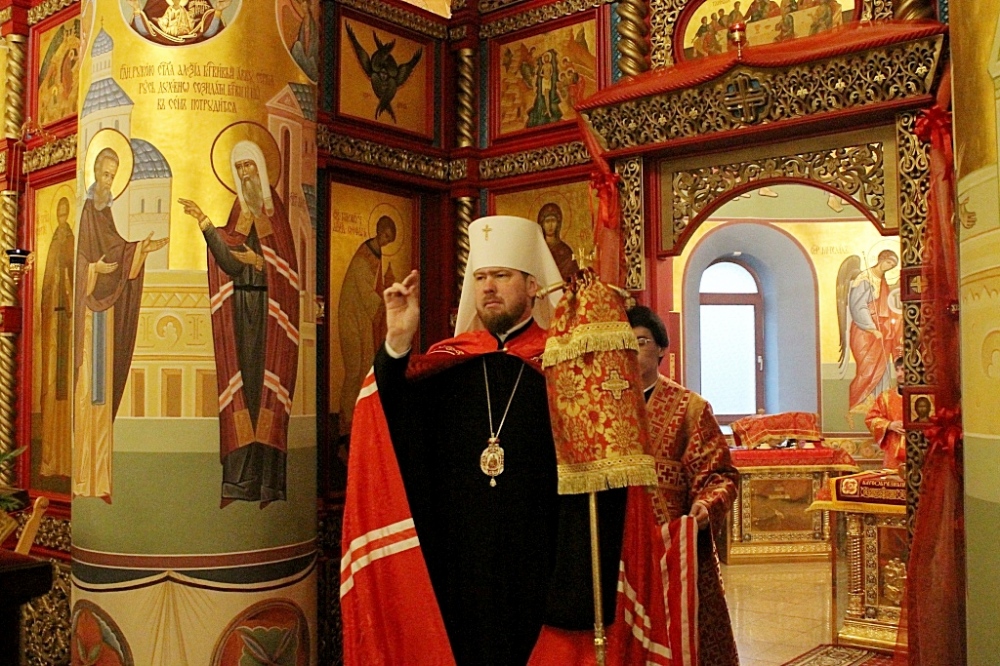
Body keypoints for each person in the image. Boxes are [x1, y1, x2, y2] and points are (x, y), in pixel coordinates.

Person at [341, 216, 630, 666]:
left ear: (533, 286)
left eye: (501, 275)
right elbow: (392, 425)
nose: (488, 287)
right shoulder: (450, 363)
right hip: (457, 566)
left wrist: (575, 587)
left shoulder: (564, 367)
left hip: (539, 565)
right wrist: (397, 342)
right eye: (480, 278)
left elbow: (599, 477)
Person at [179, 140, 300, 508]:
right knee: (244, 391)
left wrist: (259, 263)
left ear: (260, 169)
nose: (246, 173)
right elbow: (230, 262)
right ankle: (240, 481)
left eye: (250, 166)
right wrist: (205, 225)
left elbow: (285, 267)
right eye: (240, 168)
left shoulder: (274, 210)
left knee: (266, 391)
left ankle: (268, 484)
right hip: (242, 310)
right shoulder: (240, 210)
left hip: (271, 314)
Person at [626, 305, 740, 666]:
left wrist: (706, 505)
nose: (631, 350)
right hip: (622, 549)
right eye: (624, 343)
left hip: (675, 548)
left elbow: (720, 474)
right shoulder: (607, 410)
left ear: (661, 348)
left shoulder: (690, 408)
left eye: (641, 341)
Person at [74, 147, 168, 500]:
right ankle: (82, 479)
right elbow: (82, 260)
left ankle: (100, 481)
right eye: (104, 173)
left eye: (113, 176)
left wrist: (141, 249)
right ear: (95, 173)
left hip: (106, 314)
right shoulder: (88, 211)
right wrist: (93, 269)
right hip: (89, 317)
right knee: (88, 395)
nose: (108, 180)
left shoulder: (106, 213)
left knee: (102, 396)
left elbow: (118, 250)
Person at [338, 215, 396, 440]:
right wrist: (383, 303)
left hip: (363, 317)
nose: (386, 241)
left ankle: (361, 421)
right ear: (379, 231)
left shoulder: (376, 254)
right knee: (354, 370)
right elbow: (364, 290)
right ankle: (346, 424)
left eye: (389, 239)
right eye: (386, 236)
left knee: (366, 367)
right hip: (351, 316)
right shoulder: (363, 257)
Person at [39, 197, 74, 478]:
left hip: (69, 326)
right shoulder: (52, 245)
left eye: (65, 214)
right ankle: (50, 460)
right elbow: (47, 287)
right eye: (58, 214)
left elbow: (76, 277)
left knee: (69, 391)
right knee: (52, 389)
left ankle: (68, 460)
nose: (62, 219)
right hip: (54, 325)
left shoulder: (72, 242)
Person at [865, 356, 905, 470]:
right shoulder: (886, 397)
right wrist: (889, 425)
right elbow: (871, 419)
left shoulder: (922, 397)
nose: (899, 374)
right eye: (897, 370)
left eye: (903, 369)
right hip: (893, 451)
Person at [536, 202, 578, 281]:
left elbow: (573, 276)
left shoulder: (566, 251)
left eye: (553, 221)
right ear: (542, 224)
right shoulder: (538, 250)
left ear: (558, 223)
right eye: (547, 221)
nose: (550, 225)